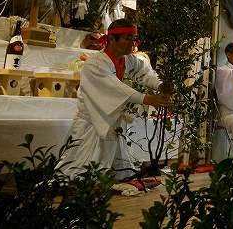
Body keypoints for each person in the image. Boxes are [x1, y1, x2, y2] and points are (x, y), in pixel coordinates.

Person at [59, 19, 172, 179]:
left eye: (134, 39)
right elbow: (114, 88)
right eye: (128, 39)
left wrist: (160, 85)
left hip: (111, 121)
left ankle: (111, 181)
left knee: (114, 166)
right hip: (91, 123)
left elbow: (145, 73)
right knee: (78, 167)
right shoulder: (95, 64)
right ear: (111, 39)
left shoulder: (127, 60)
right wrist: (146, 98)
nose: (132, 44)